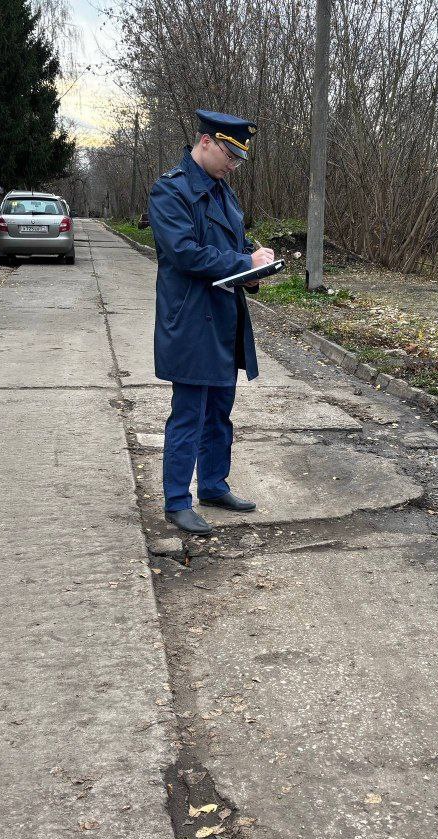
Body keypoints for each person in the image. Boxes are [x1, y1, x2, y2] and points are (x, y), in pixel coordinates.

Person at [147, 109, 276, 535]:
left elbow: (235, 244)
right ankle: (177, 501)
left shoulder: (225, 192)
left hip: (223, 318)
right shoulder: (171, 191)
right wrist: (244, 261)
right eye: (230, 156)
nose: (233, 165)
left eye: (240, 160)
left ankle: (214, 485)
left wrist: (256, 267)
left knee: (220, 411)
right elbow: (184, 252)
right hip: (190, 320)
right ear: (205, 142)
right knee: (189, 414)